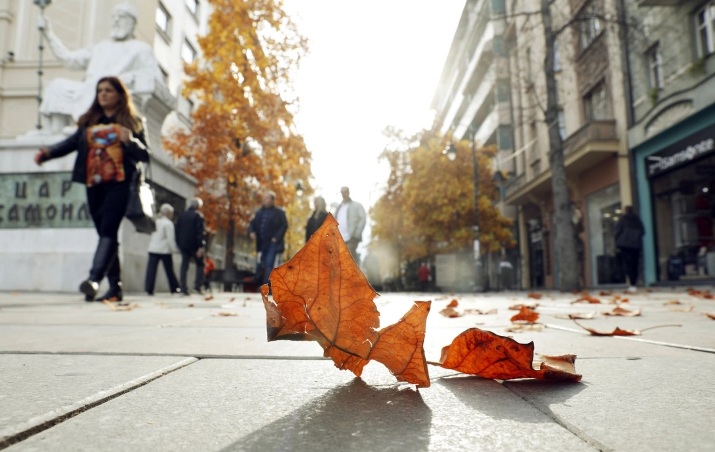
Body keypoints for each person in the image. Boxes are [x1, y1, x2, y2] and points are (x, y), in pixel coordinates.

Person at [34, 76, 149, 302]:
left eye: (108, 90)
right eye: (100, 91)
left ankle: (94, 279)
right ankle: (115, 287)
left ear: (119, 95)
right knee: (105, 234)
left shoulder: (133, 121)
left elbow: (145, 155)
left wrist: (131, 141)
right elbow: (70, 144)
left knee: (108, 229)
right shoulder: (89, 121)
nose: (103, 94)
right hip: (94, 184)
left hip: (120, 184)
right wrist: (47, 153)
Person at [37, 4, 173, 134]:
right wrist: (49, 35)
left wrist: (131, 77)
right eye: (114, 17)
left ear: (132, 23)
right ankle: (54, 132)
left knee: (100, 86)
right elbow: (69, 59)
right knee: (57, 85)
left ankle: (84, 125)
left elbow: (153, 76)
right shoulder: (100, 47)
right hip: (88, 88)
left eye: (122, 17)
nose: (117, 20)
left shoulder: (141, 49)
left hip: (113, 91)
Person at [249, 191, 288, 286]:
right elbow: (252, 224)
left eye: (267, 198)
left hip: (273, 242)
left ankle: (265, 285)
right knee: (261, 262)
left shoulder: (279, 213)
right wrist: (251, 232)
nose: (265, 200)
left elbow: (284, 225)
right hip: (262, 242)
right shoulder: (259, 212)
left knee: (269, 263)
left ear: (272, 200)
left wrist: (276, 238)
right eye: (264, 198)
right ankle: (260, 281)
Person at [145, 204, 180, 295]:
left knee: (151, 270)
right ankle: (174, 287)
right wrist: (175, 250)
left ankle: (149, 288)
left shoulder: (155, 221)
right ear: (168, 213)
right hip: (164, 250)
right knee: (169, 270)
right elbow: (170, 239)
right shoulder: (168, 224)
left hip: (153, 248)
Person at [175, 198, 206, 295]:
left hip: (183, 245)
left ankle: (183, 287)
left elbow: (177, 231)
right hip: (195, 245)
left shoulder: (182, 215)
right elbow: (200, 232)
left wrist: (179, 244)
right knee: (200, 264)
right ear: (197, 206)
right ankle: (197, 286)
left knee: (184, 266)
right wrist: (201, 246)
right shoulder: (198, 216)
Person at [615, 206, 645, 293]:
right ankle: (634, 283)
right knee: (635, 264)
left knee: (628, 264)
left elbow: (617, 232)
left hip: (625, 246)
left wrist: (617, 243)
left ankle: (631, 284)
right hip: (636, 245)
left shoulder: (622, 219)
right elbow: (643, 232)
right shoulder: (637, 220)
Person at [334, 186, 366, 264]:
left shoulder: (356, 205)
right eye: (342, 192)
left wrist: (356, 234)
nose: (343, 194)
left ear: (348, 192)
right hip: (340, 240)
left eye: (345, 192)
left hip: (351, 238)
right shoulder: (339, 208)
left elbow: (363, 219)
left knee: (348, 260)